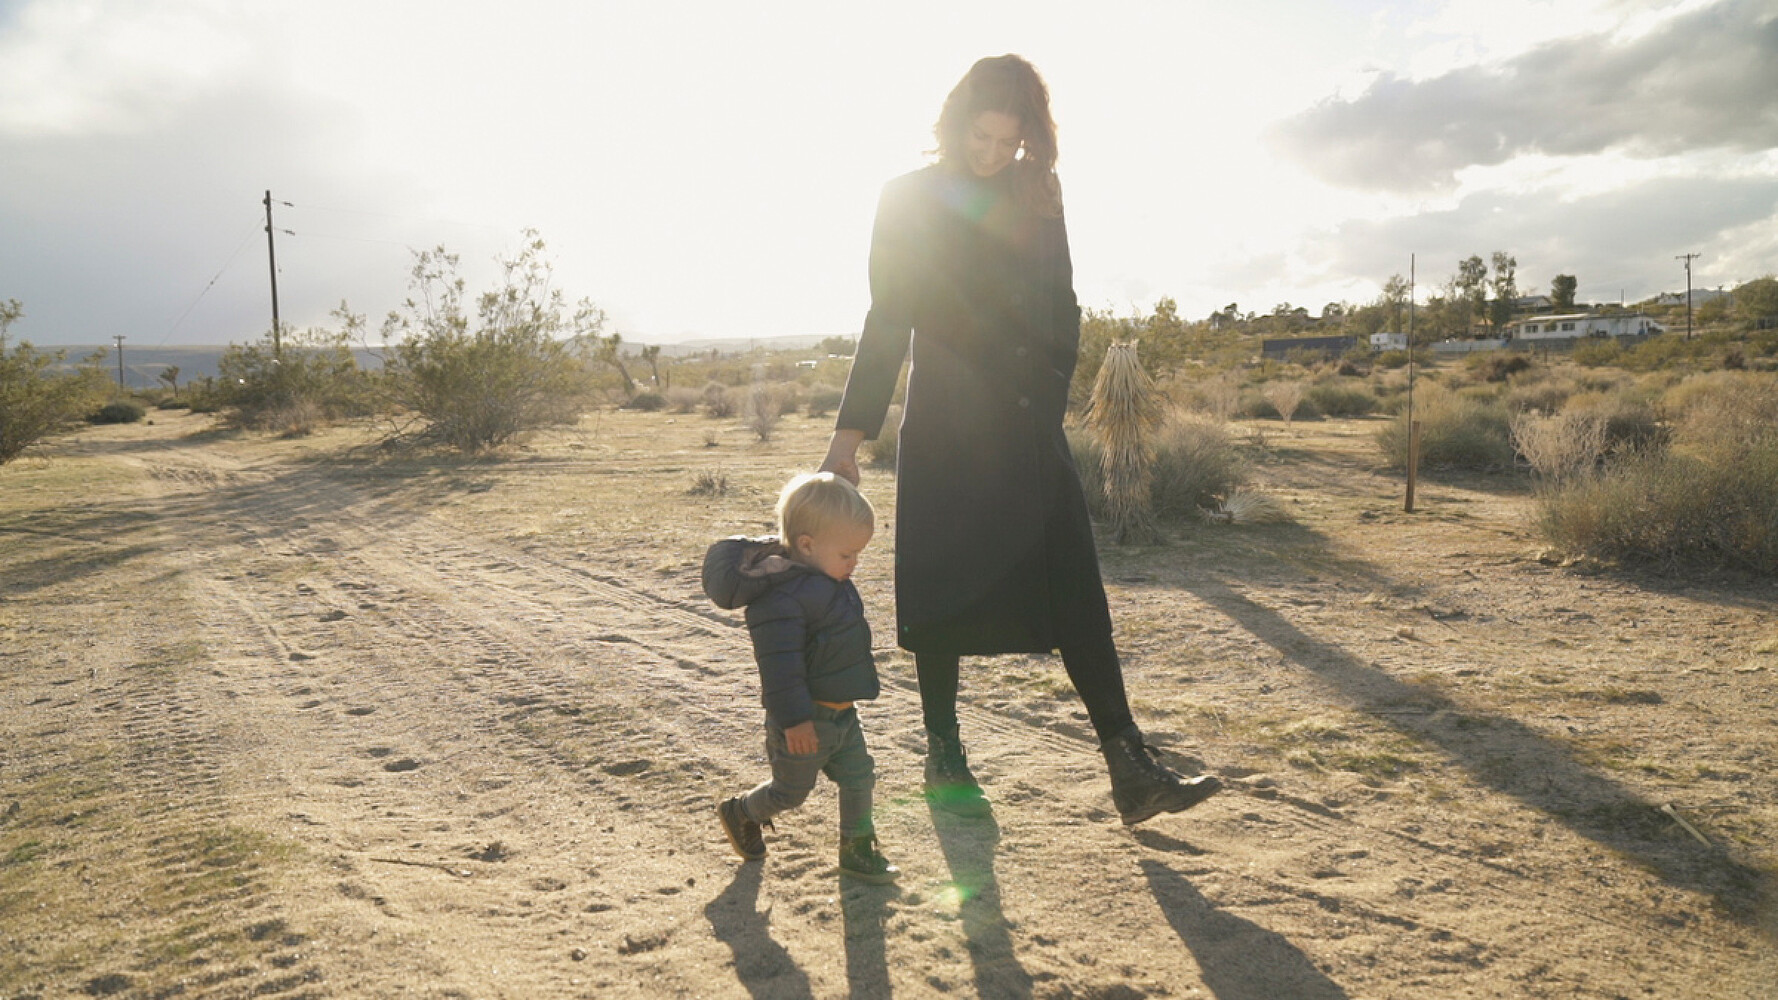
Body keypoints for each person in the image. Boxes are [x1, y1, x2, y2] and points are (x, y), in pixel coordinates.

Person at [820, 54, 1221, 826]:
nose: (992, 153)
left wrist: (1046, 399)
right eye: (981, 136)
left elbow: (1060, 302)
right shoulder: (905, 197)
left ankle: (1128, 763)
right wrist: (851, 432)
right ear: (955, 121)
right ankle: (943, 752)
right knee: (943, 584)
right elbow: (887, 317)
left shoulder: (1037, 192)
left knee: (1074, 579)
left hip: (1024, 420)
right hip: (943, 423)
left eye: (1009, 140)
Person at [703, 472, 899, 883]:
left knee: (860, 775)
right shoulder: (780, 600)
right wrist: (794, 720)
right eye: (847, 555)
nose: (854, 564)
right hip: (804, 719)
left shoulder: (826, 579)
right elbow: (780, 667)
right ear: (807, 546)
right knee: (790, 793)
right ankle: (741, 812)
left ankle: (856, 849)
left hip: (843, 716)